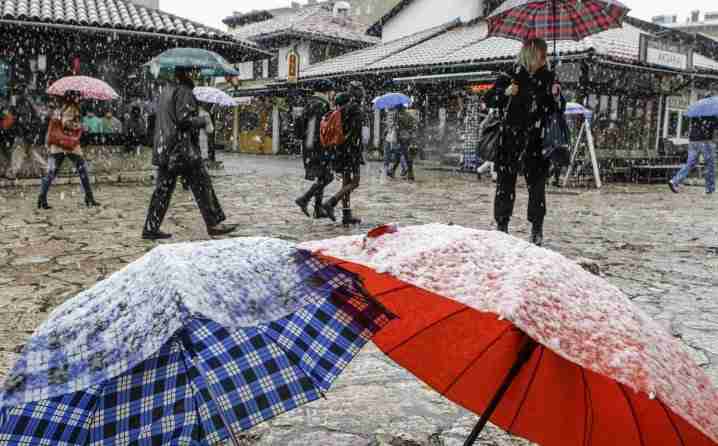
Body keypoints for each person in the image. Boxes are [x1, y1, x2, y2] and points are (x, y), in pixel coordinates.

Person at [483, 38, 564, 246]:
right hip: (510, 137)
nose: (544, 59)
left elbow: (558, 108)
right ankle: (502, 224)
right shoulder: (510, 74)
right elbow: (489, 99)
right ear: (530, 53)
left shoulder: (549, 77)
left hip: (537, 140)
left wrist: (556, 97)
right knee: (505, 183)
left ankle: (537, 228)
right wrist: (505, 93)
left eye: (546, 55)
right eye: (541, 55)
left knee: (537, 186)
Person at [142, 66, 237, 240]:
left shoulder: (166, 90)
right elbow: (183, 120)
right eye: (194, 72)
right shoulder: (184, 90)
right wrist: (203, 119)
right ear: (187, 73)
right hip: (182, 149)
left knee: (162, 190)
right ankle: (214, 223)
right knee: (202, 184)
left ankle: (151, 227)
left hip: (166, 148)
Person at [38, 90, 100, 209]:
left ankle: (42, 198)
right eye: (78, 96)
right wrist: (80, 126)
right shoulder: (72, 108)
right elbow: (66, 123)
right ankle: (89, 198)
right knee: (82, 171)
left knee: (52, 173)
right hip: (68, 144)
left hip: (59, 145)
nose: (80, 98)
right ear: (73, 98)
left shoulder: (62, 107)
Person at [321, 82, 364, 226]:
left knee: (346, 182)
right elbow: (354, 132)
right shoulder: (356, 109)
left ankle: (346, 214)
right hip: (351, 151)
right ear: (357, 93)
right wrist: (355, 147)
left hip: (340, 149)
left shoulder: (343, 108)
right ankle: (331, 202)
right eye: (361, 91)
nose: (363, 93)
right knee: (355, 182)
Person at [295, 95, 333, 219]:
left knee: (321, 177)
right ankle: (304, 199)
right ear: (327, 91)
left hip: (309, 145)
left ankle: (318, 208)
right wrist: (322, 146)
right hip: (317, 147)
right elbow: (318, 128)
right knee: (327, 177)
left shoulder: (309, 103)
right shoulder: (320, 105)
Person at [668, 114, 716, 194]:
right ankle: (709, 188)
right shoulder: (712, 113)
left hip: (693, 140)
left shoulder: (697, 113)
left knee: (690, 164)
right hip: (705, 141)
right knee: (710, 164)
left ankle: (674, 181)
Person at [387, 105, 417, 180]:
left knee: (406, 155)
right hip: (406, 137)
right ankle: (392, 171)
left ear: (399, 108)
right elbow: (413, 126)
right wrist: (410, 133)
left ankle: (410, 173)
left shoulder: (399, 116)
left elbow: (397, 127)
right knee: (399, 154)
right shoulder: (408, 115)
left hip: (402, 138)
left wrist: (396, 125)